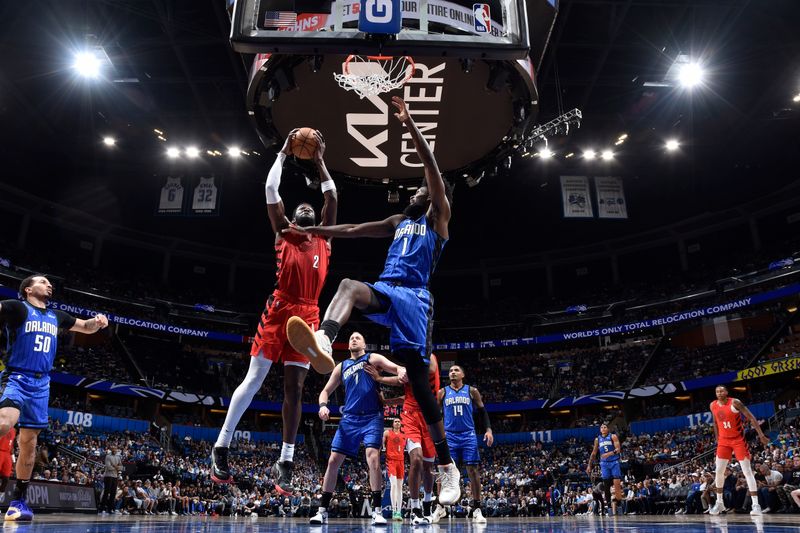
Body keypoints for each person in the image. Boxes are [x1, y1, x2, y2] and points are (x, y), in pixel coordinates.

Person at [285, 95, 460, 506]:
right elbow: (356, 229)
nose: (415, 191)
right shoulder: (399, 221)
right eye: (417, 189)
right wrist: (316, 233)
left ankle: (448, 467)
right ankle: (325, 340)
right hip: (386, 288)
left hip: (416, 300)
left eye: (421, 189)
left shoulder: (439, 219)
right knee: (347, 285)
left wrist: (411, 124)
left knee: (418, 379)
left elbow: (432, 170)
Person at [211, 129, 337, 494]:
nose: (306, 209)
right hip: (280, 308)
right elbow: (270, 192)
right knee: (255, 378)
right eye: (301, 209)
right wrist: (282, 154)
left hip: (309, 314)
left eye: (310, 209)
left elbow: (331, 195)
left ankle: (286, 459)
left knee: (295, 390)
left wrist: (320, 161)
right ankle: (221, 446)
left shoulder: (325, 237)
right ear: (292, 216)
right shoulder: (283, 231)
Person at [0, 275, 109, 521]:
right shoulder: (18, 307)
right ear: (28, 289)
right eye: (42, 281)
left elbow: (85, 327)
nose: (49, 284)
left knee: (29, 443)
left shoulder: (56, 316)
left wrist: (98, 322)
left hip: (42, 383)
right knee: (5, 423)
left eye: (50, 282)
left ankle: (18, 502)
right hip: (17, 376)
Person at [308, 332, 405, 526]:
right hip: (349, 419)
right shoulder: (341, 366)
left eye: (358, 337)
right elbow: (325, 391)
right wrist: (323, 406)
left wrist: (401, 370)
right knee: (333, 460)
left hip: (372, 417)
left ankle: (377, 511)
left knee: (373, 457)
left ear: (364, 344)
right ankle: (322, 510)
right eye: (351, 337)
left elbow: (395, 367)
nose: (354, 339)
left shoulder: (372, 358)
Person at [367, 353, 441, 523]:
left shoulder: (430, 358)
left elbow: (428, 368)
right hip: (410, 416)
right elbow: (402, 388)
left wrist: (395, 374)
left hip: (429, 416)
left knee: (428, 467)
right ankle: (415, 509)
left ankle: (427, 504)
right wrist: (379, 379)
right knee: (416, 460)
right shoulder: (406, 369)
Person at [436, 364, 493, 524]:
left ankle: (477, 509)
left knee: (472, 470)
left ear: (463, 374)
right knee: (445, 471)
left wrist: (488, 430)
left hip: (468, 435)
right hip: (450, 436)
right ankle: (440, 507)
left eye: (456, 370)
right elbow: (436, 415)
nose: (452, 372)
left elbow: (482, 412)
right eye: (451, 370)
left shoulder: (472, 391)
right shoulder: (442, 392)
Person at [708, 384, 770, 516]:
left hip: (738, 440)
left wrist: (761, 435)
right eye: (717, 391)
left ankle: (755, 505)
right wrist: (718, 439)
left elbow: (751, 417)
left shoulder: (735, 402)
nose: (719, 393)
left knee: (747, 471)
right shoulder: (713, 405)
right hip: (724, 441)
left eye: (721, 390)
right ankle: (719, 503)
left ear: (726, 392)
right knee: (719, 471)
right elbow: (715, 422)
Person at [586, 423, 622, 515]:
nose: (603, 428)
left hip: (614, 462)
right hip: (604, 464)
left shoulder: (613, 436)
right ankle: (609, 505)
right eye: (601, 427)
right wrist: (589, 465)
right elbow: (594, 453)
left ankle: (619, 504)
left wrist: (609, 453)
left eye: (605, 427)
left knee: (617, 484)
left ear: (608, 429)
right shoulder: (597, 439)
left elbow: (618, 449)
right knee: (606, 486)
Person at [382, 418, 407, 521]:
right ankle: (394, 510)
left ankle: (398, 512)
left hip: (401, 461)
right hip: (391, 461)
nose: (397, 422)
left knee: (400, 487)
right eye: (395, 421)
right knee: (393, 485)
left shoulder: (404, 435)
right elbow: (383, 446)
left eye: (398, 421)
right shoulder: (387, 433)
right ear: (392, 424)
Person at [100, 445, 123, 514]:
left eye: (115, 448)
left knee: (113, 493)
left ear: (116, 449)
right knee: (106, 492)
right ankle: (102, 508)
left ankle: (110, 509)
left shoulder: (118, 457)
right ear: (111, 449)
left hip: (115, 477)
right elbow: (108, 467)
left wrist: (115, 466)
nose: (114, 449)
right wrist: (116, 467)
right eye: (112, 448)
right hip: (108, 476)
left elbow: (122, 468)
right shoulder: (108, 456)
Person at [0, 426, 14, 493]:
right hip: (0, 451)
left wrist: (14, 461)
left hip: (7, 453)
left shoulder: (13, 430)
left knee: (6, 477)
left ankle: (1, 492)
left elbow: (12, 446)